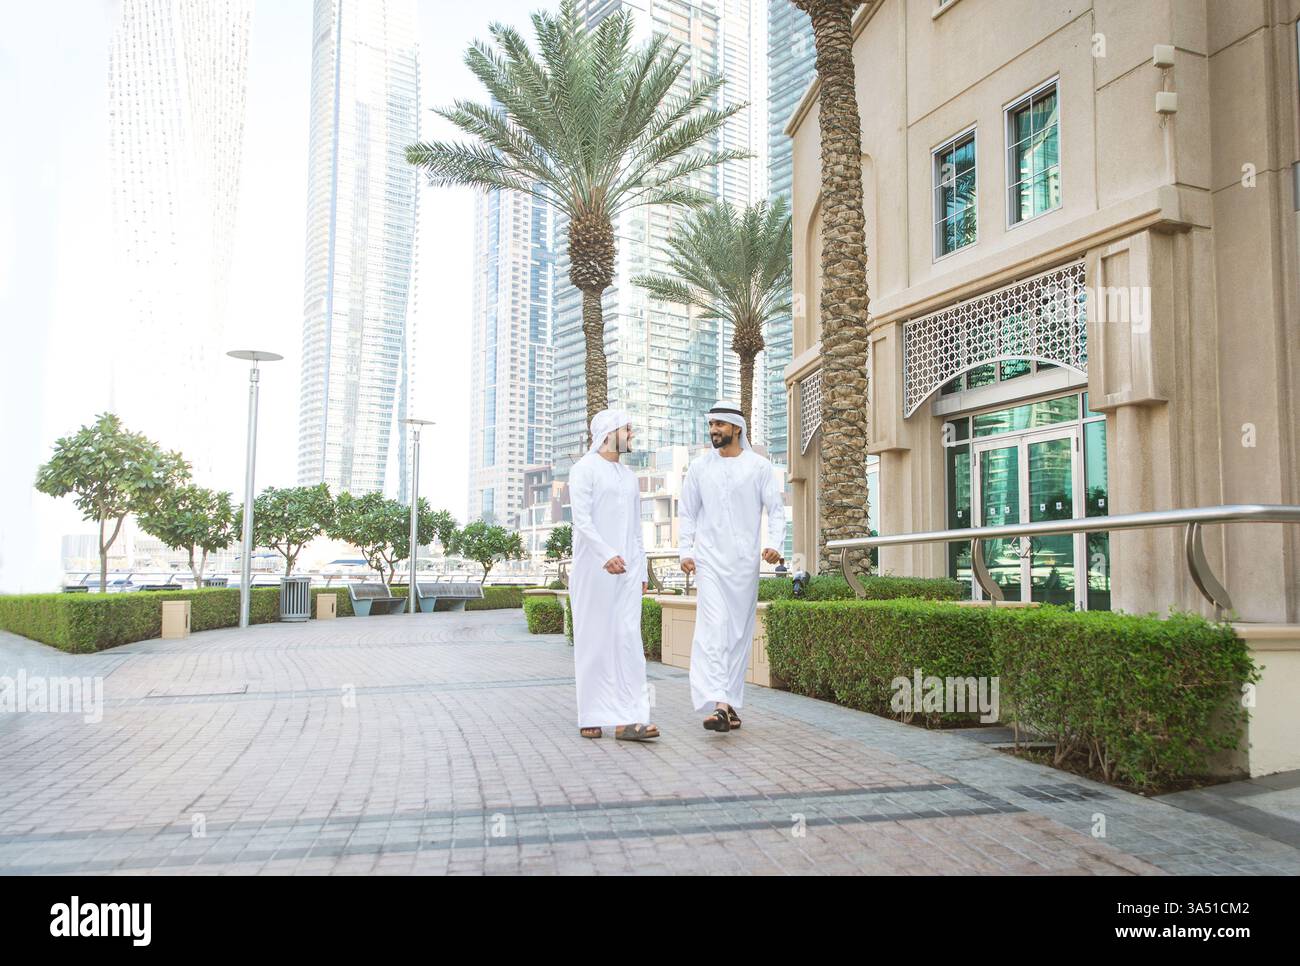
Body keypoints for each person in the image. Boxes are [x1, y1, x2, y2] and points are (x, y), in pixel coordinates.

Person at [679, 401, 786, 732]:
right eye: (711, 425)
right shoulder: (699, 468)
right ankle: (720, 704)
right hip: (708, 560)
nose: (713, 430)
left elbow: (776, 510)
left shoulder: (759, 467)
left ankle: (728, 704)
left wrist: (775, 546)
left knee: (737, 634)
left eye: (720, 425)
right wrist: (685, 550)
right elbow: (687, 512)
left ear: (736, 428)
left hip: (743, 564)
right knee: (713, 628)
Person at [567, 408, 659, 741]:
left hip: (629, 571)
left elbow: (636, 528)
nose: (632, 434)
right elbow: (582, 521)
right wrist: (606, 555)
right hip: (594, 570)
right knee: (595, 640)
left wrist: (642, 565)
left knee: (628, 641)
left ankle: (630, 718)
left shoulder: (629, 477)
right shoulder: (583, 470)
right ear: (608, 433)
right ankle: (590, 715)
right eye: (627, 429)